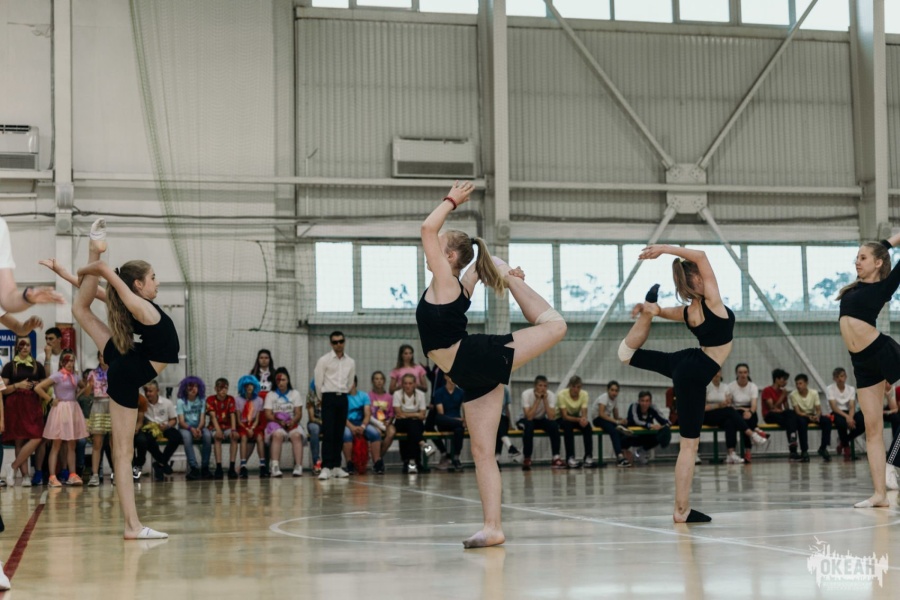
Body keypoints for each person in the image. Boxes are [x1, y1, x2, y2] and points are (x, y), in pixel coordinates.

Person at [417, 181, 567, 547]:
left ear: (449, 256)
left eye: (439, 246)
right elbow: (485, 263)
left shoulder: (445, 281)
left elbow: (427, 228)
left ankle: (517, 288)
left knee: (556, 326)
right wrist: (504, 267)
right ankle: (492, 528)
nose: (429, 249)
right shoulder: (458, 285)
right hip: (467, 375)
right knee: (482, 452)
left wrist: (451, 201)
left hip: (475, 356)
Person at [620, 245, 767, 523]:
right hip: (694, 372)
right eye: (701, 273)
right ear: (697, 277)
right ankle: (681, 511)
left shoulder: (690, 312)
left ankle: (644, 316)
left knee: (626, 354)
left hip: (685, 362)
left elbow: (664, 310)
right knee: (689, 446)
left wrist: (651, 310)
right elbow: (700, 255)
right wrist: (663, 249)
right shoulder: (712, 301)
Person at [70, 218, 175, 538]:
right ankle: (132, 526)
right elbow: (106, 276)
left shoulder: (136, 304)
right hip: (128, 373)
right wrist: (95, 266)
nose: (157, 282)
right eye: (152, 277)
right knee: (122, 453)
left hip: (127, 358)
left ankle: (93, 245)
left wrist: (73, 272)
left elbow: (99, 292)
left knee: (80, 309)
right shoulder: (142, 308)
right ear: (138, 285)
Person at [835, 234, 900, 507]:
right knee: (873, 430)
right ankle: (879, 495)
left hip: (883, 352)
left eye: (863, 258)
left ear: (878, 263)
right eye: (857, 258)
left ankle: (895, 463)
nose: (857, 262)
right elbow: (879, 250)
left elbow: (883, 251)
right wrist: (887, 243)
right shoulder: (854, 288)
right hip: (861, 364)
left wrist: (890, 243)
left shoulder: (883, 287)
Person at [34, 349, 88, 486]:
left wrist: (82, 391)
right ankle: (52, 477)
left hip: (72, 410)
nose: (70, 363)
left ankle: (72, 474)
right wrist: (50, 400)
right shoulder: (57, 376)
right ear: (61, 362)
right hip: (60, 410)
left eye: (72, 361)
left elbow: (84, 388)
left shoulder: (75, 377)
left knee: (71, 444)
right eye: (67, 361)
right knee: (56, 444)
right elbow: (38, 388)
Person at [1, 337, 47, 487]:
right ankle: (25, 476)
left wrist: (38, 385)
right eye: (22, 344)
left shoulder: (37, 366)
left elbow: (46, 385)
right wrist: (17, 385)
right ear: (16, 347)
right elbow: (3, 389)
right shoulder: (9, 366)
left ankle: (13, 466)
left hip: (33, 405)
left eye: (28, 344)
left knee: (37, 437)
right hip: (15, 406)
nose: (25, 347)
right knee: (19, 439)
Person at [313, 331, 354, 481]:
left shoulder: (350, 362)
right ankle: (326, 466)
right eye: (335, 342)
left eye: (341, 341)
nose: (338, 344)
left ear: (344, 342)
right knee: (328, 432)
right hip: (328, 397)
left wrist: (343, 392)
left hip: (342, 397)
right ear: (331, 344)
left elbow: (350, 382)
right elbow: (318, 382)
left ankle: (336, 466)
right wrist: (322, 398)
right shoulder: (324, 360)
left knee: (339, 432)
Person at [264, 367, 306, 477]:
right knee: (277, 435)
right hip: (275, 424)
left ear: (288, 380)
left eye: (283, 380)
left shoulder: (295, 394)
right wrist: (279, 421)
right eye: (278, 380)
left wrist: (293, 421)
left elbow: (298, 413)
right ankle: (275, 466)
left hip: (291, 423)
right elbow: (268, 414)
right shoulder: (271, 395)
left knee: (296, 435)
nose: (281, 382)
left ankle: (298, 466)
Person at [136, 380, 181, 481]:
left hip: (164, 426)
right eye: (146, 391)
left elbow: (173, 420)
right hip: (149, 428)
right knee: (147, 440)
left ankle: (160, 463)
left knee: (177, 437)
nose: (148, 394)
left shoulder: (167, 403)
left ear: (157, 391)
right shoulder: (142, 402)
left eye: (150, 391)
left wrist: (167, 426)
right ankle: (163, 464)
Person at [517, 375, 562, 471]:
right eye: (540, 385)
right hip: (525, 419)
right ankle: (527, 458)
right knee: (529, 426)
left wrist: (545, 400)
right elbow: (529, 417)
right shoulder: (526, 394)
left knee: (554, 425)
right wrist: (537, 400)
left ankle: (556, 457)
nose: (543, 388)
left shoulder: (551, 395)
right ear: (535, 386)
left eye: (545, 386)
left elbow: (551, 417)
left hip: (541, 419)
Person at [726, 363, 768, 463]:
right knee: (732, 422)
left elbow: (754, 405)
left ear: (748, 373)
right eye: (740, 372)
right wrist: (741, 409)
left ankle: (748, 450)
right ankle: (755, 433)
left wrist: (750, 411)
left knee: (746, 420)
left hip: (749, 411)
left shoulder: (753, 386)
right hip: (736, 411)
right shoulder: (730, 386)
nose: (743, 375)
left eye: (745, 372)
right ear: (736, 374)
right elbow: (729, 404)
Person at [788, 374, 832, 462]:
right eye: (797, 384)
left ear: (806, 383)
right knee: (801, 423)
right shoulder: (793, 394)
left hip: (813, 414)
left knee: (827, 421)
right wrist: (809, 417)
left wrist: (817, 416)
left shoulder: (814, 393)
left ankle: (823, 448)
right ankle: (804, 451)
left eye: (800, 383)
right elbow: (798, 411)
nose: (798, 386)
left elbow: (818, 409)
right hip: (802, 415)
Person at [392, 373, 430, 474]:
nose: (407, 386)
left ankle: (410, 462)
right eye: (405, 383)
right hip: (401, 423)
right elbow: (398, 413)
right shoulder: (397, 394)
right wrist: (416, 414)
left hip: (416, 423)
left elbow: (423, 414)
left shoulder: (420, 394)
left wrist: (407, 414)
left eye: (410, 383)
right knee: (412, 425)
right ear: (402, 384)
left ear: (414, 384)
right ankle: (422, 445)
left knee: (412, 429)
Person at [342, 376, 380, 474]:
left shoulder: (363, 396)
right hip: (347, 423)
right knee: (346, 435)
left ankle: (377, 462)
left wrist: (363, 426)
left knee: (375, 434)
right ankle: (349, 463)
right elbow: (341, 416)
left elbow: (367, 414)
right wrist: (352, 427)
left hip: (361, 422)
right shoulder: (342, 397)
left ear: (354, 383)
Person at [176, 376, 212, 480]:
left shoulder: (202, 400)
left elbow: (202, 420)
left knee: (207, 435)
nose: (193, 389)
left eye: (196, 386)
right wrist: (191, 429)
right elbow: (181, 421)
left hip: (199, 427)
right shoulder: (180, 401)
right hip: (185, 427)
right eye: (190, 386)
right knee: (187, 438)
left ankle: (205, 467)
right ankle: (194, 467)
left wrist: (199, 429)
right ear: (185, 388)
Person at [761, 368, 801, 461]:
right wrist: (782, 396)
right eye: (784, 379)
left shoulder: (782, 392)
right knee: (791, 423)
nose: (785, 382)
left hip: (780, 415)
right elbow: (772, 408)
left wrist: (785, 398)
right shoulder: (767, 390)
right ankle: (793, 448)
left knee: (791, 417)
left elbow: (786, 409)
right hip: (769, 415)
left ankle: (793, 449)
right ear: (777, 379)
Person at [84, 354, 112, 486]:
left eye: (105, 356)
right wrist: (89, 385)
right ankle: (95, 474)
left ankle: (117, 474)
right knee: (97, 443)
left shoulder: (114, 371)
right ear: (98, 358)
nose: (103, 358)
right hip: (98, 405)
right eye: (101, 356)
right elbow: (86, 393)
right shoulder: (93, 373)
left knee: (114, 444)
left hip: (112, 405)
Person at [623, 391, 672, 465]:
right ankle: (622, 456)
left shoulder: (653, 407)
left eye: (647, 401)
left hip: (645, 436)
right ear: (638, 401)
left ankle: (640, 452)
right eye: (642, 401)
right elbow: (636, 421)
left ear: (650, 402)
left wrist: (667, 424)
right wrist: (650, 425)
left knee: (659, 435)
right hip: (632, 436)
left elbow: (663, 419)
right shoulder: (634, 406)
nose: (644, 403)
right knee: (621, 436)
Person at [591, 380, 632, 468]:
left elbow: (616, 416)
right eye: (612, 390)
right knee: (613, 431)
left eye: (616, 391)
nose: (614, 393)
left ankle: (622, 450)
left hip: (607, 419)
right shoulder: (604, 398)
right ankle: (620, 457)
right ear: (608, 390)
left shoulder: (615, 400)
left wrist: (622, 420)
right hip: (598, 419)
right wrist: (616, 422)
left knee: (624, 427)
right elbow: (601, 414)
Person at [557, 376, 595, 468]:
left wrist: (584, 419)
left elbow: (584, 411)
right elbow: (565, 416)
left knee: (587, 426)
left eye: (578, 387)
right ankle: (570, 458)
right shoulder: (561, 394)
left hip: (575, 417)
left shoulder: (584, 394)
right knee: (568, 426)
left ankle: (588, 457)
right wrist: (579, 419)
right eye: (573, 387)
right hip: (560, 418)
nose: (576, 389)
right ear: (569, 386)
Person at [235, 374, 267, 478]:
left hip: (253, 424)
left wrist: (252, 428)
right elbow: (238, 420)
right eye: (246, 385)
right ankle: (243, 466)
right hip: (243, 424)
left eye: (251, 385)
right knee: (244, 438)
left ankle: (262, 465)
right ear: (243, 387)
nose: (249, 387)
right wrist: (246, 429)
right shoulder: (238, 400)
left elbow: (257, 419)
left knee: (260, 437)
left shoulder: (259, 400)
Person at [825, 367, 860, 460]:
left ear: (845, 377)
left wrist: (850, 417)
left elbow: (852, 406)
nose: (840, 379)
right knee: (841, 423)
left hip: (848, 412)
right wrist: (847, 417)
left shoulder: (851, 389)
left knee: (862, 420)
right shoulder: (830, 389)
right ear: (834, 378)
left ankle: (843, 441)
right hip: (836, 412)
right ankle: (846, 446)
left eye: (842, 376)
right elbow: (834, 407)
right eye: (837, 377)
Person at [433, 374, 466, 472]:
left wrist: (465, 419)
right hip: (445, 421)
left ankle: (456, 457)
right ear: (445, 377)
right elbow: (441, 412)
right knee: (439, 418)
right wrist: (459, 421)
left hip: (457, 424)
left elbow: (465, 408)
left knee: (459, 430)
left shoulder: (461, 392)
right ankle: (459, 424)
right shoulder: (439, 392)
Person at [206, 378, 237, 479]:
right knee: (217, 437)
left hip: (227, 426)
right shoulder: (210, 399)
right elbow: (213, 417)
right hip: (214, 426)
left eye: (226, 388)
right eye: (221, 388)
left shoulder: (231, 399)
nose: (224, 390)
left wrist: (233, 430)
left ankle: (232, 467)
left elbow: (232, 415)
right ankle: (218, 467)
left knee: (234, 437)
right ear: (216, 388)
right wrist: (218, 430)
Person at [368, 371, 395, 474]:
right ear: (372, 381)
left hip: (386, 422)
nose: (379, 381)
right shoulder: (369, 396)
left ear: (384, 381)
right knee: (377, 433)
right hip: (373, 422)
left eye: (381, 379)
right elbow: (368, 413)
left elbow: (392, 413)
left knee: (391, 433)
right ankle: (378, 461)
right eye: (376, 379)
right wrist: (378, 424)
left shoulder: (389, 397)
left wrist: (388, 422)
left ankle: (378, 458)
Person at [494, 386, 522, 468]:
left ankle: (496, 460)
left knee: (500, 427)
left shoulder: (504, 390)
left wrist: (509, 423)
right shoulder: (485, 389)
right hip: (488, 418)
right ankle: (510, 447)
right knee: (498, 426)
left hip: (501, 418)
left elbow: (506, 408)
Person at [306, 380, 323, 475]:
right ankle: (316, 461)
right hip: (315, 422)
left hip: (329, 422)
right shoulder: (311, 394)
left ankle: (330, 462)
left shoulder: (330, 395)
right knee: (314, 429)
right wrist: (322, 422)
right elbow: (312, 418)